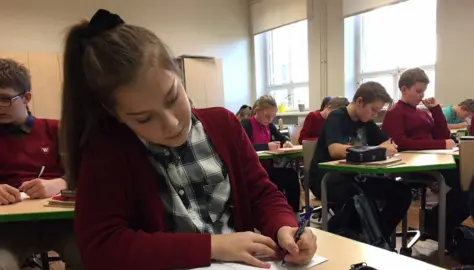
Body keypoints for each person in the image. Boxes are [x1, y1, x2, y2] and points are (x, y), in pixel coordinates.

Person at [60, 9, 316, 270]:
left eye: (172, 98)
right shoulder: (108, 151)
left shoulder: (223, 124)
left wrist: (285, 226)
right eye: (144, 118)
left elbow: (261, 194)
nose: (171, 124)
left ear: (179, 76)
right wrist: (213, 246)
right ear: (116, 115)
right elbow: (102, 247)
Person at [0, 58, 81, 269]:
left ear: (26, 98)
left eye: (4, 99)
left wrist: (62, 183)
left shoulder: (57, 129)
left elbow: (89, 173)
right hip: (7, 228)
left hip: (62, 222)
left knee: (91, 258)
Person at [309, 81, 411, 241]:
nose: (374, 115)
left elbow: (388, 142)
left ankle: (377, 239)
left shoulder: (366, 122)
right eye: (373, 110)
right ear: (359, 102)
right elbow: (335, 150)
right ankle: (339, 236)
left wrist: (383, 147)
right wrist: (377, 150)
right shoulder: (337, 117)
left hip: (354, 176)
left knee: (402, 193)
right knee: (358, 196)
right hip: (327, 177)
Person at [382, 67, 469, 249]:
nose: (422, 96)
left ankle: (440, 222)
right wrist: (440, 145)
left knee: (470, 181)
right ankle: (438, 223)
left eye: (424, 91)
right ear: (404, 89)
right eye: (418, 91)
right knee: (465, 185)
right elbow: (400, 143)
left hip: (432, 159)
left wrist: (436, 110)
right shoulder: (396, 111)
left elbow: (443, 135)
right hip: (413, 164)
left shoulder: (421, 112)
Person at [240, 95, 301, 213]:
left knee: (292, 175)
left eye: (273, 116)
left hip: (266, 168)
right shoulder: (247, 124)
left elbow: (282, 137)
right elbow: (242, 146)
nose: (270, 119)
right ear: (257, 111)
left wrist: (287, 142)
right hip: (251, 171)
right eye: (267, 116)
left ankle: (294, 213)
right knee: (287, 177)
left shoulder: (269, 125)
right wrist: (266, 146)